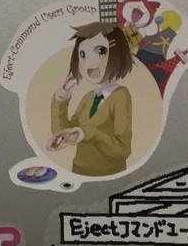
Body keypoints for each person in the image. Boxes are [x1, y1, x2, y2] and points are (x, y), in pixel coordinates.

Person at [50, 21, 135, 177]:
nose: (89, 63)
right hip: (79, 169)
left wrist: (88, 133)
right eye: (82, 55)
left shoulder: (121, 96)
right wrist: (61, 102)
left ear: (118, 53)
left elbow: (122, 150)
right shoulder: (88, 97)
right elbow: (62, 132)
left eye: (101, 51)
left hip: (109, 173)